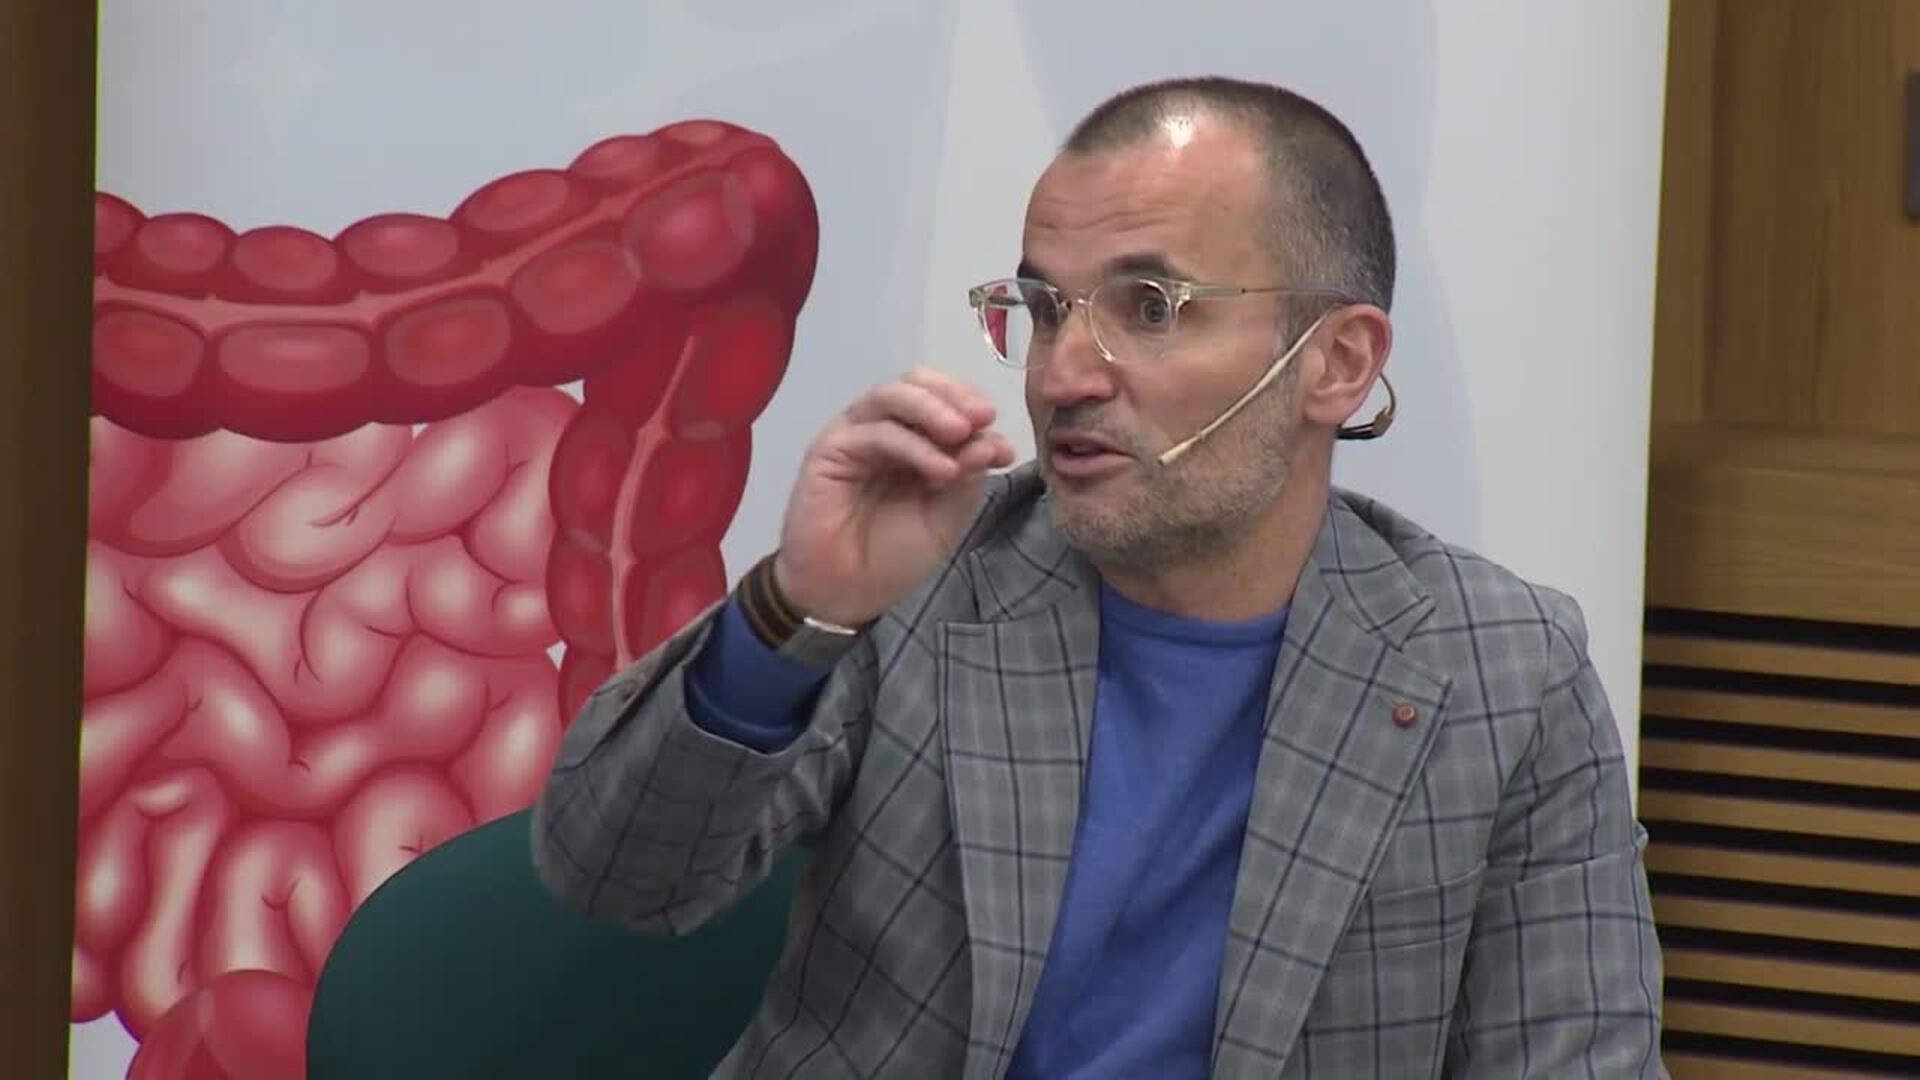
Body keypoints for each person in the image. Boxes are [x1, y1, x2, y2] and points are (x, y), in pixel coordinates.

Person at [532, 75, 1667, 1078]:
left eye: (1150, 308)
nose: (1063, 374)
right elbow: (618, 876)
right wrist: (797, 612)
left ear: (1335, 363)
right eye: (1042, 310)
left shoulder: (1501, 671)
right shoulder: (926, 575)